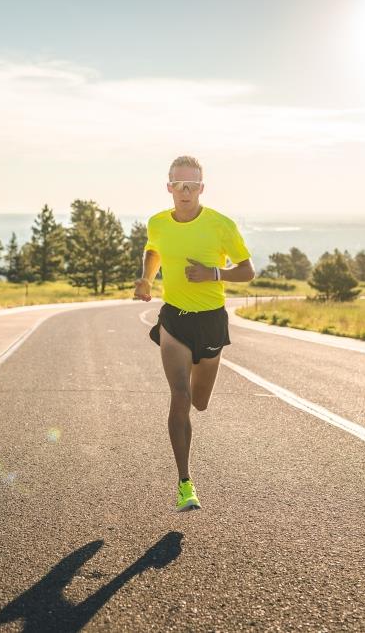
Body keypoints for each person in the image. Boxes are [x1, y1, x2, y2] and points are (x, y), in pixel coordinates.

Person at [133, 155, 255, 511]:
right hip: (175, 318)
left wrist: (213, 274)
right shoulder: (157, 222)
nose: (185, 192)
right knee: (180, 396)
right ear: (168, 187)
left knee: (199, 401)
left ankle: (186, 471)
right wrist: (146, 279)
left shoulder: (221, 225)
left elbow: (247, 271)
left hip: (211, 321)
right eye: (178, 185)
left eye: (192, 185)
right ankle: (185, 483)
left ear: (201, 188)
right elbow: (153, 249)